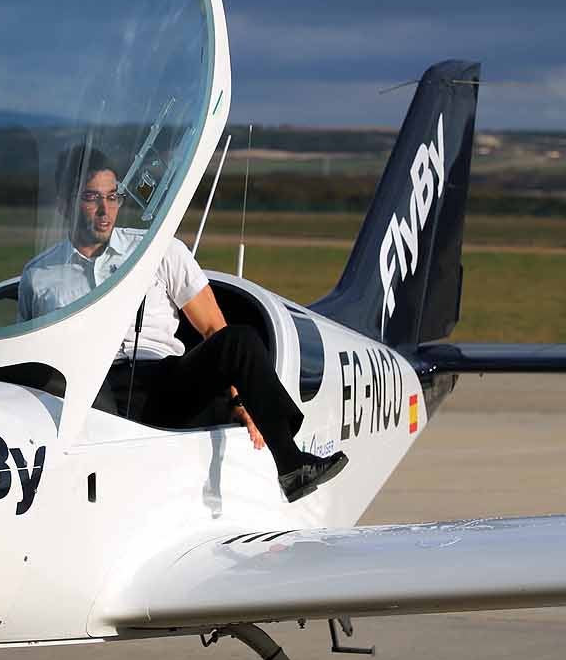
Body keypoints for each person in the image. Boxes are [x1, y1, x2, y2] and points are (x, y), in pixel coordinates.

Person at [18, 146, 348, 502]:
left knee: (238, 340)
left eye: (113, 197)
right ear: (65, 204)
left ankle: (291, 462)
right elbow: (29, 359)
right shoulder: (38, 276)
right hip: (90, 391)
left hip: (164, 383)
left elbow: (212, 328)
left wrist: (240, 402)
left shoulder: (156, 251)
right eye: (92, 198)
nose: (105, 211)